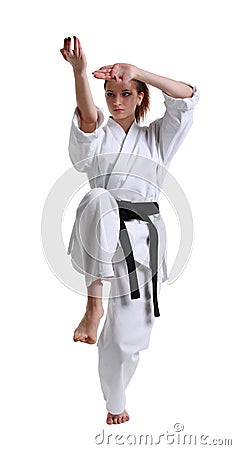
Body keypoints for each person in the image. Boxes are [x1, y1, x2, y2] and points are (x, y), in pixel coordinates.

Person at [60, 36, 199, 425]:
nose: (115, 101)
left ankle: (115, 400)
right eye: (109, 94)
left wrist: (138, 71)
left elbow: (187, 97)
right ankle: (93, 304)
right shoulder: (100, 133)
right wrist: (79, 72)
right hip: (99, 234)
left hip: (142, 244)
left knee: (126, 340)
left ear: (140, 96)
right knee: (99, 198)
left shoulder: (157, 138)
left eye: (125, 93)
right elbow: (88, 121)